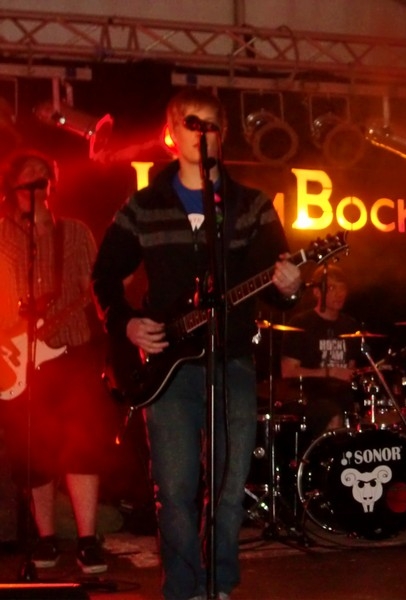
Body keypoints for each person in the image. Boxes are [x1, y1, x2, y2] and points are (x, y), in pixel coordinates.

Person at [91, 88, 302, 600]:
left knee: (229, 487)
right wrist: (126, 323)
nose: (200, 132)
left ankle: (219, 585)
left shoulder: (251, 206)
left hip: (231, 360)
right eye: (190, 122)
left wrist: (291, 285)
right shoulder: (143, 206)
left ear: (221, 135)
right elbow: (104, 277)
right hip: (168, 369)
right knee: (176, 489)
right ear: (171, 133)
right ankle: (182, 589)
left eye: (210, 124)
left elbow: (279, 284)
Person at [0, 149, 113, 574]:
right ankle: (45, 539)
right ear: (12, 187)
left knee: (82, 446)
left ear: (51, 186)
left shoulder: (75, 232)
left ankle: (87, 540)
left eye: (42, 175)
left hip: (72, 353)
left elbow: (95, 288)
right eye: (27, 176)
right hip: (17, 360)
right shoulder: (1, 236)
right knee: (34, 455)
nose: (36, 181)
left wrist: (106, 299)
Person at [279, 264, 361, 437]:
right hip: (311, 398)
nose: (339, 294)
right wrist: (330, 372)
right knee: (331, 413)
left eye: (342, 288)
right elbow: (288, 371)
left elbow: (351, 369)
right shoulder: (301, 323)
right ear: (316, 292)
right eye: (332, 288)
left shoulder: (350, 325)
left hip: (342, 397)